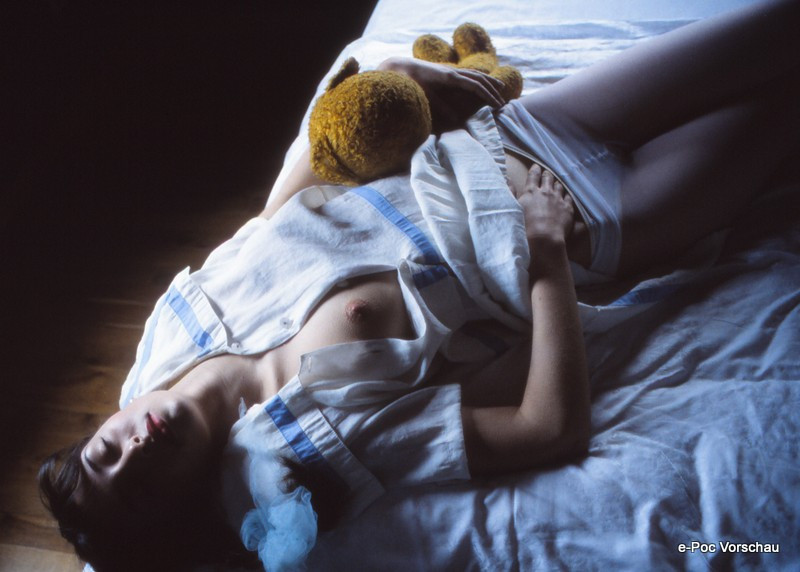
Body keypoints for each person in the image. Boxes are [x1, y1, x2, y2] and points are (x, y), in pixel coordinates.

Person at [39, 1, 799, 570]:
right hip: (596, 220)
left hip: (515, 133)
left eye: (108, 452)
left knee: (775, 29)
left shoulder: (178, 327)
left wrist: (400, 84)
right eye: (140, 488)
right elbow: (549, 429)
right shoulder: (307, 450)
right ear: (183, 504)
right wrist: (546, 254)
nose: (137, 451)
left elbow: (282, 213)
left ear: (109, 421)